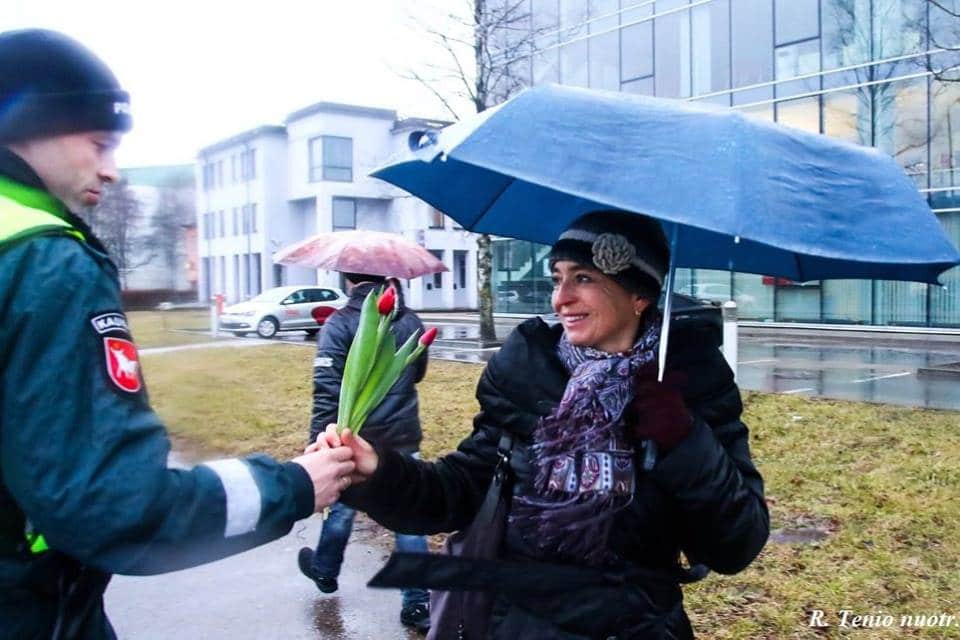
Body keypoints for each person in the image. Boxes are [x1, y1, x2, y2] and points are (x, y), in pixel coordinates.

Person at [0, 29, 356, 639]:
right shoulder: (43, 261)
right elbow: (115, 506)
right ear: (29, 122)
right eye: (99, 143)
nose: (111, 171)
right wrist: (294, 484)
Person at [316, 211, 770, 639]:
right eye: (558, 279)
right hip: (516, 624)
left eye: (584, 279)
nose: (561, 298)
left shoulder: (692, 383)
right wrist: (376, 471)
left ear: (639, 296)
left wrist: (685, 440)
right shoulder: (528, 373)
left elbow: (736, 543)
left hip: (636, 625)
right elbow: (457, 491)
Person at [297, 272, 432, 632]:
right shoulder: (411, 320)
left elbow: (327, 388)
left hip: (356, 439)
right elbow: (417, 371)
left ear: (347, 279)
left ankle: (325, 571)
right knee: (409, 519)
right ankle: (418, 603)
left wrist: (317, 445)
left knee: (340, 510)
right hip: (402, 434)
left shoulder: (339, 323)